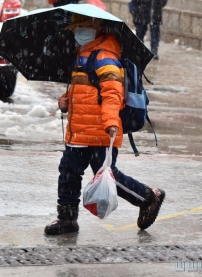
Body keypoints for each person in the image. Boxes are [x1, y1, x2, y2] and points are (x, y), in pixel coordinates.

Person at [44, 14, 165, 235]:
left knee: (108, 177)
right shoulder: (81, 54)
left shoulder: (106, 57)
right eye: (75, 27)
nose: (78, 31)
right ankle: (67, 219)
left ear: (96, 26)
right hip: (78, 132)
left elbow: (112, 95)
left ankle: (149, 197)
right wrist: (66, 100)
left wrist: (111, 122)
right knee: (68, 173)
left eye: (83, 26)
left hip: (101, 131)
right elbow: (84, 90)